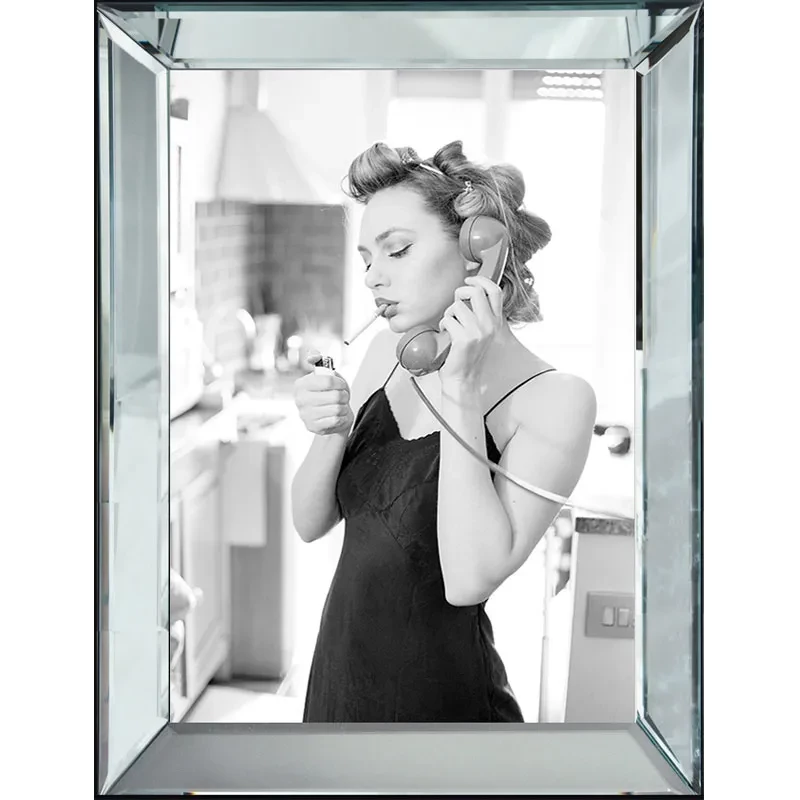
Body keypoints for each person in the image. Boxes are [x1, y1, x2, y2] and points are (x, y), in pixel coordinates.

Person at [291, 140, 597, 723]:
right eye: (367, 260)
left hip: (444, 709)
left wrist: (460, 386)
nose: (373, 277)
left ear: (477, 252)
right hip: (338, 682)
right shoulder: (385, 356)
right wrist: (331, 430)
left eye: (398, 250)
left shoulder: (559, 399)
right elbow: (309, 523)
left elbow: (468, 580)